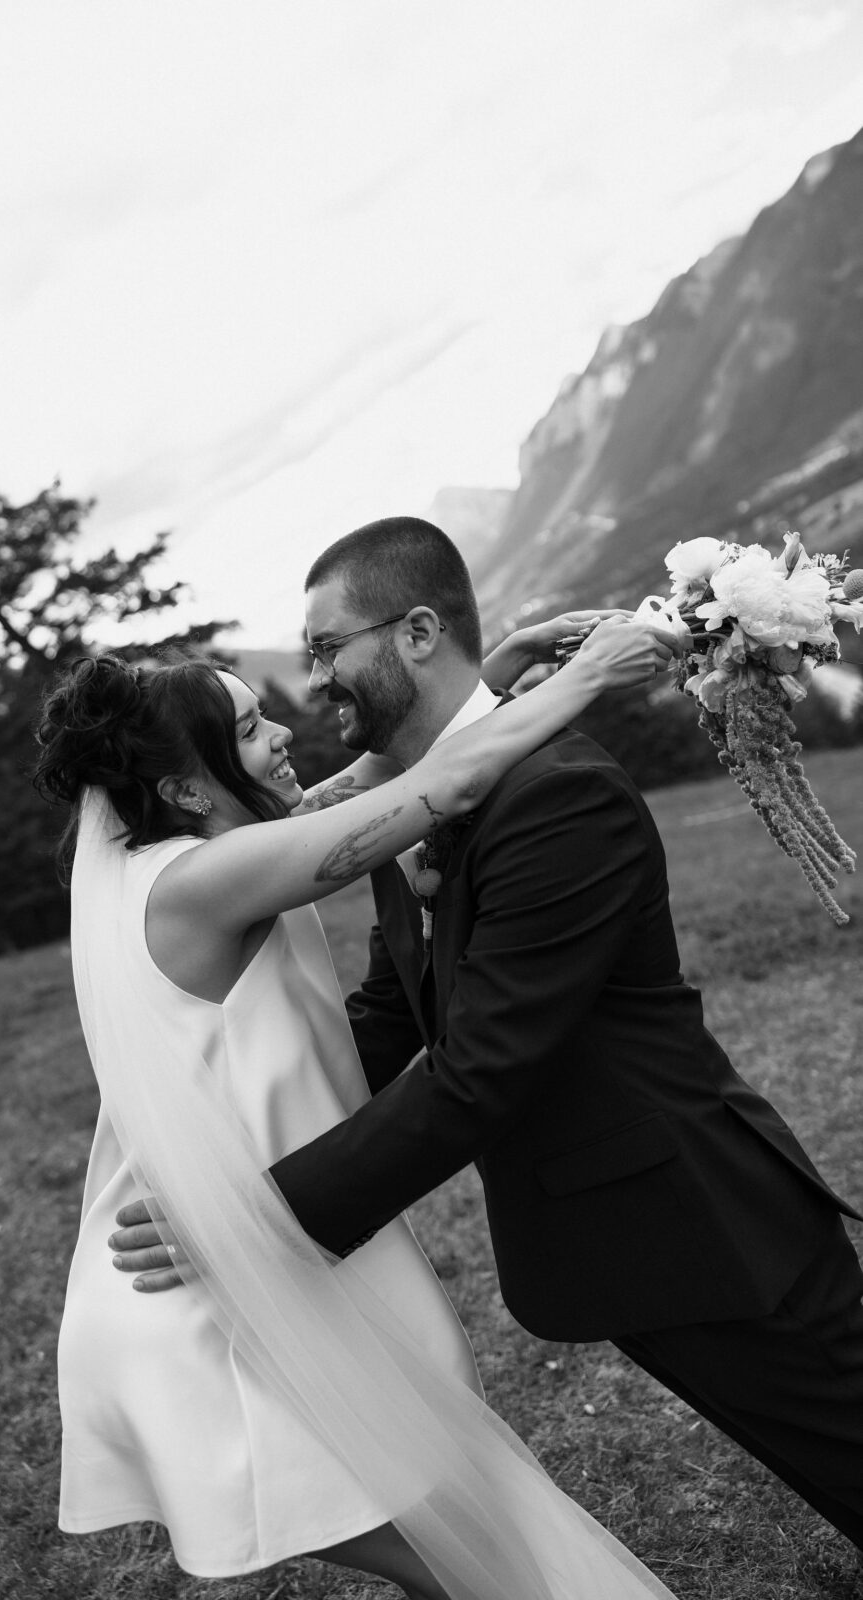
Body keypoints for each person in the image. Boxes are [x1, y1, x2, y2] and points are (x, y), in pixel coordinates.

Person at [112, 515, 863, 1554]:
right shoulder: (417, 800)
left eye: (330, 647)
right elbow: (392, 1011)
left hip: (705, 1221)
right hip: (622, 1238)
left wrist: (253, 1221)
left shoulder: (556, 796)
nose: (317, 677)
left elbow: (475, 1075)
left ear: (416, 633)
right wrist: (230, 1137)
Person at [33, 614, 681, 1600]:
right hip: (194, 1314)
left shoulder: (179, 850)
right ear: (184, 787)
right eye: (250, 730)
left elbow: (357, 788)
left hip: (209, 1276)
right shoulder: (207, 880)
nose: (282, 735)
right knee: (484, 1551)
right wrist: (588, 674)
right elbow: (438, 789)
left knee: (471, 1548)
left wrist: (490, 678)